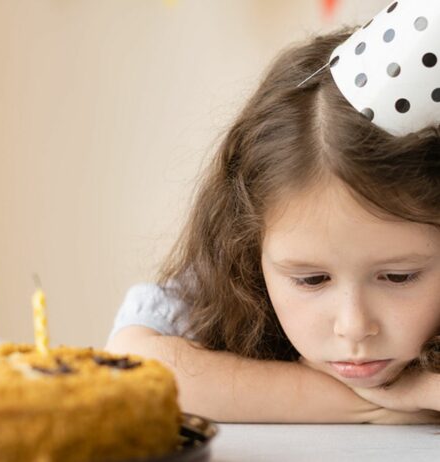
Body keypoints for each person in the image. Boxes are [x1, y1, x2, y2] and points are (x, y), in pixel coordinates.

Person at [105, 1, 440, 424]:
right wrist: (391, 398)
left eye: (398, 277)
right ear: (248, 243)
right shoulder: (234, 284)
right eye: (311, 279)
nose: (354, 327)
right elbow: (133, 364)